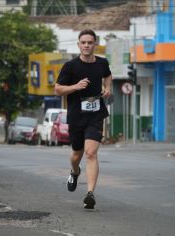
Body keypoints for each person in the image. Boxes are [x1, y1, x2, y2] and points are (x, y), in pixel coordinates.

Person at [54, 29, 112, 209]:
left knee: (91, 153)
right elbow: (57, 89)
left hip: (96, 114)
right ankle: (75, 171)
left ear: (95, 44)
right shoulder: (70, 66)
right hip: (76, 116)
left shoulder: (102, 63)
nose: (87, 45)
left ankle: (90, 194)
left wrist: (107, 88)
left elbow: (108, 75)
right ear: (79, 45)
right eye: (83, 42)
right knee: (76, 154)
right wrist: (75, 86)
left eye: (90, 42)